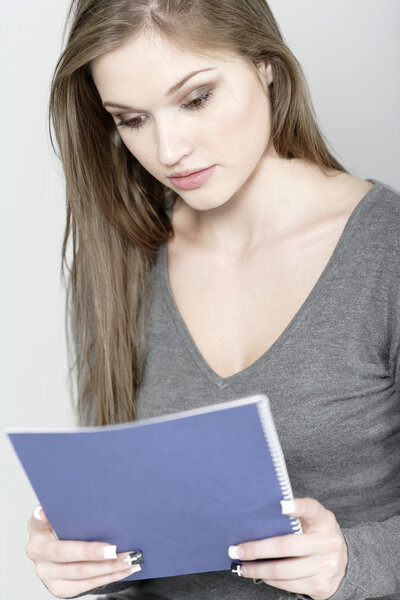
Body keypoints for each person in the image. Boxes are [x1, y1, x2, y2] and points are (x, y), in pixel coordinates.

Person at [25, 1, 400, 599]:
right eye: (131, 119)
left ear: (265, 66)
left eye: (196, 99)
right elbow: (133, 534)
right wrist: (86, 562)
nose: (169, 150)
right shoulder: (121, 259)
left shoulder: (386, 253)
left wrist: (352, 560)